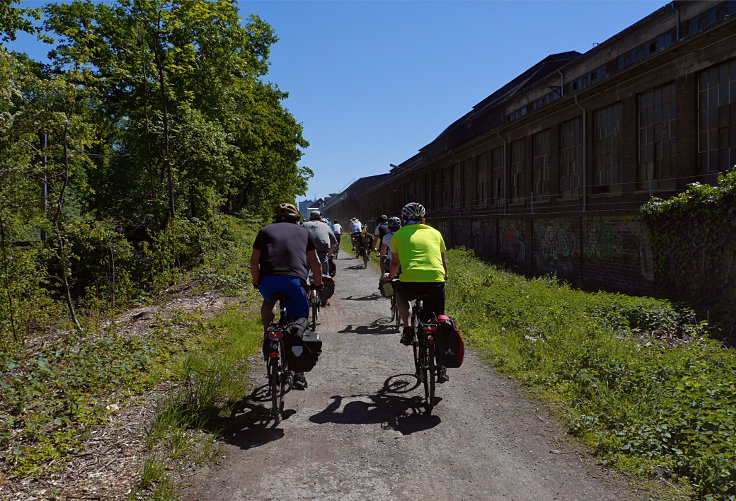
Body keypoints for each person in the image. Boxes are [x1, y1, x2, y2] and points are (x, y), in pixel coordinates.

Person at [250, 202, 323, 390]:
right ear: (296, 218)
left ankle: (268, 334)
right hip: (294, 282)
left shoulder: (264, 231)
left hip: (269, 281)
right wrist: (317, 283)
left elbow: (254, 260)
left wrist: (256, 281)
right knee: (299, 319)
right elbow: (315, 263)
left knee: (268, 302)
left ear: (275, 217)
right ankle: (298, 374)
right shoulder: (303, 233)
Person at [389, 202, 449, 382]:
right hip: (435, 281)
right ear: (423, 219)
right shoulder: (436, 233)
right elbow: (442, 260)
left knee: (401, 294)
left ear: (404, 219)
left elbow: (395, 264)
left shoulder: (398, 234)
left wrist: (389, 277)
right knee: (439, 320)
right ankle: (442, 367)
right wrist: (443, 277)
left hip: (411, 282)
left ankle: (407, 328)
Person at [303, 210, 337, 277]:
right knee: (324, 275)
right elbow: (334, 242)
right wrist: (329, 254)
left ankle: (305, 284)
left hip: (307, 254)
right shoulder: (326, 226)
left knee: (304, 275)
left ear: (310, 218)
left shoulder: (304, 225)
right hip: (322, 253)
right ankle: (325, 282)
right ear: (320, 218)